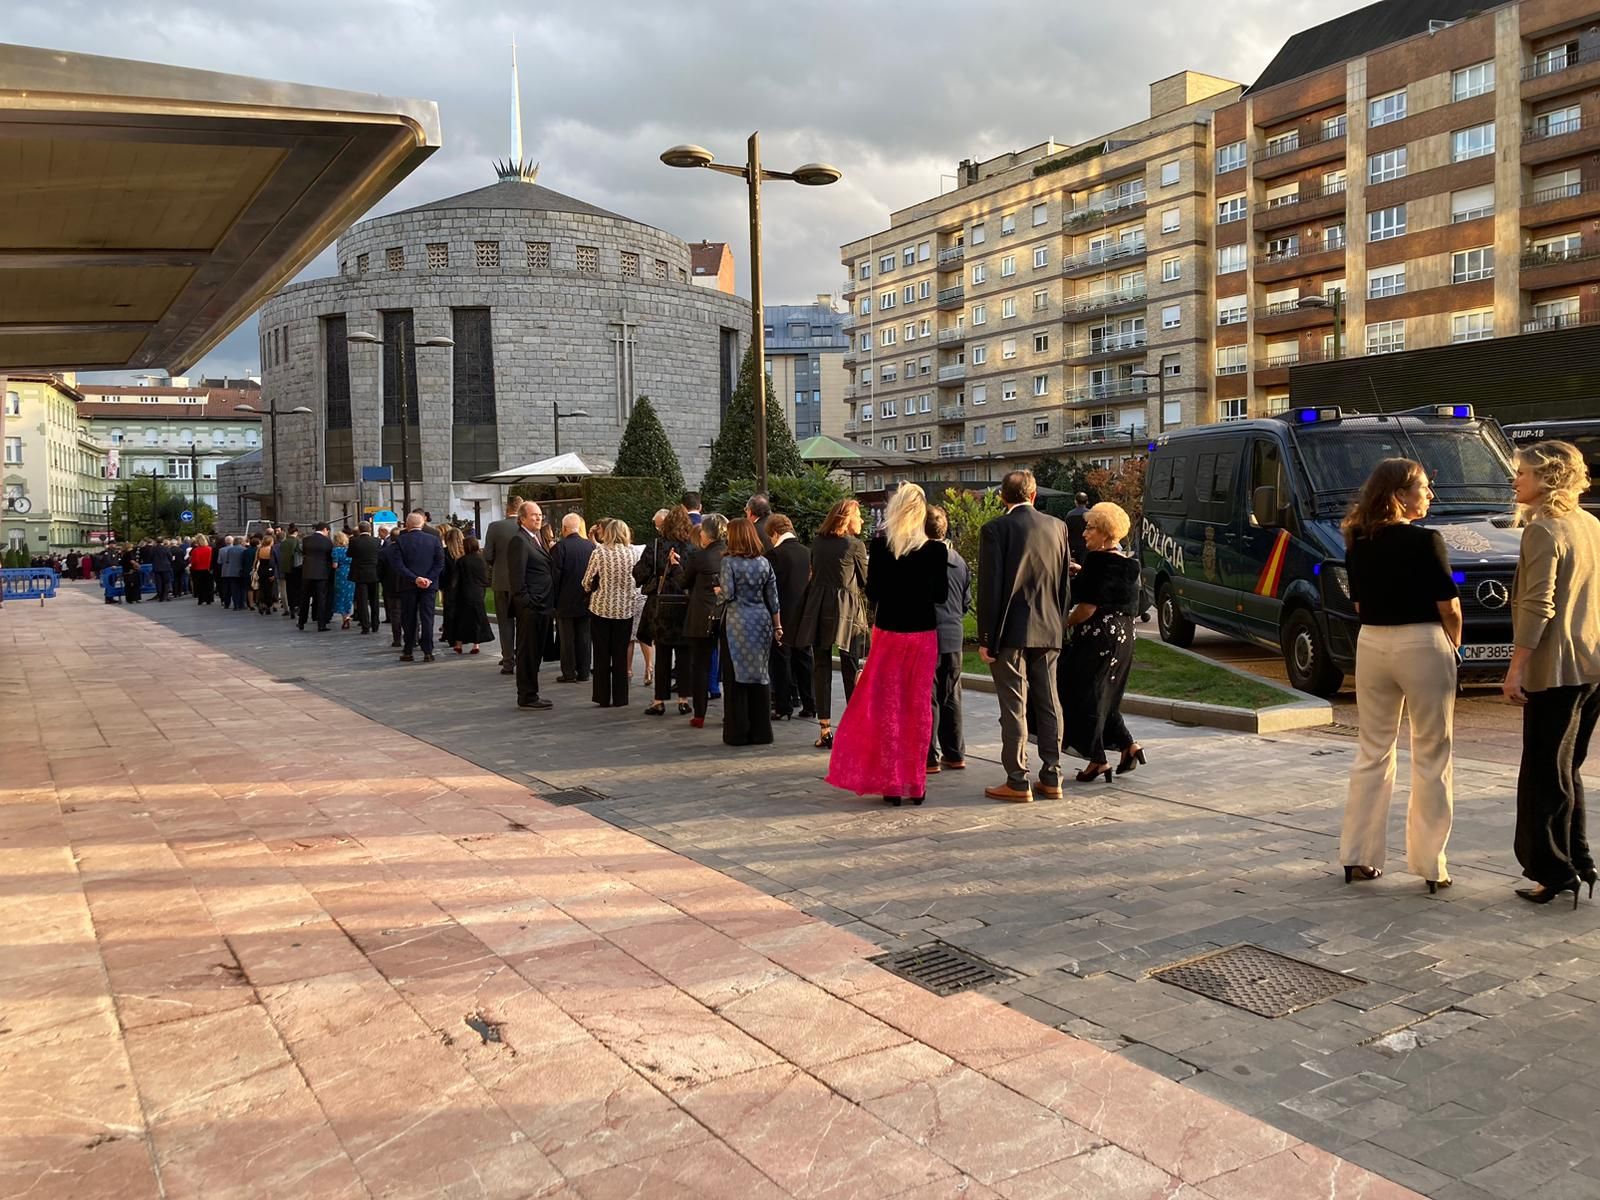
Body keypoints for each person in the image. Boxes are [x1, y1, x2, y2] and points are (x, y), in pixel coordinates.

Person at [1336, 460, 1462, 893]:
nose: (1430, 495)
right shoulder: (1427, 541)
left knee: (1373, 749)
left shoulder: (1356, 539)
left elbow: (1357, 605)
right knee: (1432, 752)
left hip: (1372, 642)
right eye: (1424, 488)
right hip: (1422, 641)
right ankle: (1430, 864)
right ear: (1399, 495)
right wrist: (1455, 643)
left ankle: (1358, 855)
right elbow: (1449, 605)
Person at [1504, 441, 1600, 906]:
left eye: (1521, 472)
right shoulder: (1591, 524)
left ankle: (1554, 869)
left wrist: (1515, 668)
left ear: (1547, 478)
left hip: (1555, 665)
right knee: (1569, 768)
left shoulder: (1542, 531)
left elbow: (1537, 606)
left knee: (1545, 772)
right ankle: (1579, 861)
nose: (1515, 480)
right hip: (1591, 663)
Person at [828, 484, 948, 806]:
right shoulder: (936, 551)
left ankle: (892, 783)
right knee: (919, 707)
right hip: (923, 635)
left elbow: (875, 591)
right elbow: (940, 596)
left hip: (890, 633)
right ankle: (916, 782)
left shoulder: (881, 547)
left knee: (890, 708)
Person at [978, 469, 1071, 803]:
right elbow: (1063, 584)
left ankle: (1018, 779)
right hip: (1049, 627)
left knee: (1014, 705)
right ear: (1034, 496)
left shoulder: (994, 529)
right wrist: (1061, 624)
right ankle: (1052, 775)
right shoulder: (1058, 527)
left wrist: (986, 637)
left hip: (1010, 631)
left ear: (1003, 497)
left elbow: (989, 587)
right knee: (1049, 702)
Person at [1059, 503, 1145, 783]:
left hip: (1098, 639)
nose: (1084, 534)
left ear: (1106, 534)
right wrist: (1082, 570)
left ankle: (1097, 759)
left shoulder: (1097, 562)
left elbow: (1087, 608)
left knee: (1082, 695)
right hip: (1124, 638)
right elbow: (1111, 587)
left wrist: (1063, 625)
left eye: (1090, 528)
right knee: (1106, 696)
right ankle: (1128, 746)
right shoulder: (1128, 562)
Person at [797, 498, 870, 750]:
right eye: (858, 516)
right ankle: (854, 728)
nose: (861, 520)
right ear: (846, 519)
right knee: (851, 666)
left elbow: (815, 572)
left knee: (821, 666)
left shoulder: (818, 542)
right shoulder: (855, 545)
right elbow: (865, 581)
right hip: (847, 609)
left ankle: (825, 728)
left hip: (818, 606)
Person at [720, 517, 782, 745]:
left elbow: (728, 593)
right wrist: (778, 626)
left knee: (735, 676)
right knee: (760, 674)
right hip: (762, 620)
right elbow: (773, 599)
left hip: (737, 621)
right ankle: (762, 732)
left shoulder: (729, 563)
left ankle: (737, 732)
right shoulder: (764, 563)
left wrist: (716, 590)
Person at [925, 505, 970, 773]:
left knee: (927, 696)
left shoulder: (918, 559)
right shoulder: (959, 560)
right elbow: (965, 601)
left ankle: (929, 755)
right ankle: (955, 753)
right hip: (953, 634)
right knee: (951, 694)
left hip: (927, 634)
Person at [638, 505, 694, 716]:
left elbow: (640, 572)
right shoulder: (692, 547)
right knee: (684, 653)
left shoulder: (655, 546)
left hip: (660, 605)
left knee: (662, 652)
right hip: (684, 603)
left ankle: (659, 700)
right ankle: (683, 699)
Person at [582, 519, 638, 708]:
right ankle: (621, 697)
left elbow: (587, 580)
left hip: (602, 608)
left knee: (601, 653)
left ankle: (602, 696)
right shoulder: (633, 553)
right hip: (625, 609)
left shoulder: (600, 552)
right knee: (621, 654)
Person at [766, 514, 815, 721]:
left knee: (781, 661)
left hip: (782, 614)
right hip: (804, 613)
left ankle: (783, 706)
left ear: (775, 533)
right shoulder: (807, 552)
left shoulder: (774, 555)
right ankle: (810, 704)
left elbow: (770, 588)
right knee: (804, 659)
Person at [506, 501, 555, 708]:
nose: (538, 518)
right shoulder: (519, 540)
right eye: (534, 515)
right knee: (528, 652)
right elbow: (517, 576)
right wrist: (526, 602)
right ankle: (527, 695)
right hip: (531, 607)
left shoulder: (536, 538)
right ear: (522, 518)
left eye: (540, 514)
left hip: (543, 605)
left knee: (536, 652)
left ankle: (531, 692)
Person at [682, 514, 728, 729]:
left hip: (702, 614)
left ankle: (699, 713)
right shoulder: (730, 555)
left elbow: (684, 580)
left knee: (699, 664)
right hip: (726, 613)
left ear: (707, 534)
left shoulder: (700, 557)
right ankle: (730, 713)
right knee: (729, 665)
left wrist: (675, 567)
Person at [394, 512, 446, 662]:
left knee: (409, 618)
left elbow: (398, 565)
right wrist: (428, 579)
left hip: (408, 584)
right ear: (422, 523)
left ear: (407, 524)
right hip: (429, 586)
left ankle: (408, 649)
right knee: (427, 617)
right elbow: (439, 563)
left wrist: (415, 578)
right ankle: (428, 651)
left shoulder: (400, 541)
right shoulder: (434, 540)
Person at [551, 513, 596, 684]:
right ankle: (584, 671)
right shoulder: (590, 547)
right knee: (584, 637)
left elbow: (555, 576)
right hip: (586, 600)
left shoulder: (559, 548)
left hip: (565, 600)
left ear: (564, 529)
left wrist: (554, 601)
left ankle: (569, 672)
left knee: (567, 639)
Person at [450, 536, 495, 656]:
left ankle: (458, 643)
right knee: (477, 618)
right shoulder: (482, 560)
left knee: (461, 619)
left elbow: (456, 579)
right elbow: (486, 578)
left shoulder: (462, 561)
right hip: (479, 591)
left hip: (464, 592)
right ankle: (476, 644)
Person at [298, 522, 334, 631]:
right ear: (324, 529)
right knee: (321, 598)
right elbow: (329, 557)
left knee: (304, 598)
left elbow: (304, 553)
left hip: (307, 572)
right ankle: (321, 624)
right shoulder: (327, 541)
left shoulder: (306, 540)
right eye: (327, 531)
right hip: (321, 573)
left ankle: (301, 622)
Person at [348, 522, 381, 634]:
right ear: (370, 529)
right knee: (374, 601)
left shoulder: (354, 541)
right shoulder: (376, 541)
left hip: (360, 574)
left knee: (362, 601)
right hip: (373, 573)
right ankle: (375, 624)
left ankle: (365, 626)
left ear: (360, 530)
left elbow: (349, 554)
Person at [438, 525, 465, 647]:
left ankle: (450, 635)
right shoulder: (465, 553)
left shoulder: (444, 553)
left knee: (449, 611)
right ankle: (461, 635)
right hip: (464, 586)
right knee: (461, 611)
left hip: (449, 586)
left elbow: (442, 571)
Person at [331, 531, 355, 629]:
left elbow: (334, 565)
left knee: (340, 594)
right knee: (349, 595)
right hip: (350, 572)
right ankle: (348, 614)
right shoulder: (349, 549)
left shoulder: (335, 550)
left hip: (340, 573)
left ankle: (344, 617)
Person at [280, 525, 303, 620]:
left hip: (286, 569)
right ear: (296, 532)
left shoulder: (284, 542)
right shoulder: (297, 541)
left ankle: (291, 608)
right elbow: (300, 551)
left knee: (289, 589)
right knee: (298, 588)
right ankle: (298, 606)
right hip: (296, 568)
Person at [252, 533, 278, 615]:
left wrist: (255, 569)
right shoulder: (271, 549)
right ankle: (268, 606)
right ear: (270, 541)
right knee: (270, 589)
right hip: (269, 569)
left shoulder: (260, 549)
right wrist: (273, 573)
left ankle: (261, 603)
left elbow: (256, 561)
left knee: (262, 587)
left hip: (261, 570)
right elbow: (273, 562)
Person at [1064, 492, 1091, 564]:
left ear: (1075, 501)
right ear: (1087, 502)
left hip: (1073, 547)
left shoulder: (1070, 515)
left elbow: (1066, 532)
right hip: (1088, 547)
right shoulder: (1091, 515)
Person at [190, 535, 215, 605]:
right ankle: (209, 599)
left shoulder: (195, 550)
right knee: (209, 585)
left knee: (200, 585)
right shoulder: (210, 549)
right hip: (208, 569)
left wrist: (192, 567)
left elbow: (194, 561)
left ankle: (201, 599)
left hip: (198, 569)